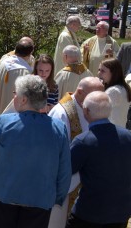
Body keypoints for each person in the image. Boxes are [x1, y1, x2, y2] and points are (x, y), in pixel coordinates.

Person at [0, 75, 71, 228]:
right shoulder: (58, 127)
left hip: (4, 195)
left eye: (15, 93)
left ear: (23, 100)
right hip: (40, 200)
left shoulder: (5, 121)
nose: (13, 97)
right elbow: (64, 171)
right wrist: (57, 197)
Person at [66, 91, 131, 228]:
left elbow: (66, 170)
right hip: (120, 213)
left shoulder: (84, 141)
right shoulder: (128, 137)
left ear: (86, 111)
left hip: (88, 214)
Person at [47, 77, 105, 228]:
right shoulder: (61, 113)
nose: (99, 100)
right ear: (80, 92)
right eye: (95, 96)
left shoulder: (92, 108)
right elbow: (55, 153)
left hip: (83, 183)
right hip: (65, 185)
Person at [0, 37, 34, 119]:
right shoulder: (25, 72)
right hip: (14, 119)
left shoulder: (3, 62)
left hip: (0, 112)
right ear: (30, 53)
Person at [98, 58, 131, 128]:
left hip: (111, 132)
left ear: (113, 73)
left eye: (103, 71)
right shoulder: (122, 87)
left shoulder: (113, 91)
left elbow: (97, 111)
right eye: (99, 70)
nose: (99, 73)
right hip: (119, 130)